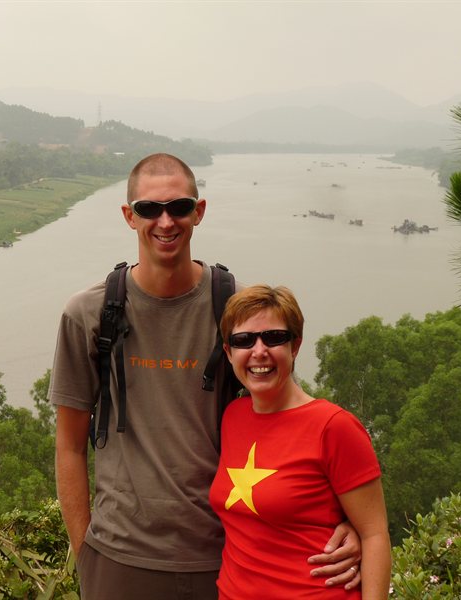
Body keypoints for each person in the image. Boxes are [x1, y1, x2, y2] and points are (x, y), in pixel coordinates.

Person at [49, 153, 363, 600]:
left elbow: (290, 416)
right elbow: (68, 444)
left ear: (199, 211)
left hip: (228, 556)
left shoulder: (233, 307)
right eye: (148, 209)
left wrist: (351, 519)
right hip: (120, 557)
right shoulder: (90, 314)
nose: (165, 221)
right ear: (128, 216)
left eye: (179, 207)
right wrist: (86, 554)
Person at [211, 285, 391, 599]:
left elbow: (374, 535)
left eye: (274, 337)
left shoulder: (334, 427)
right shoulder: (233, 417)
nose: (259, 351)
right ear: (228, 352)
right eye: (244, 340)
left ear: (295, 346)